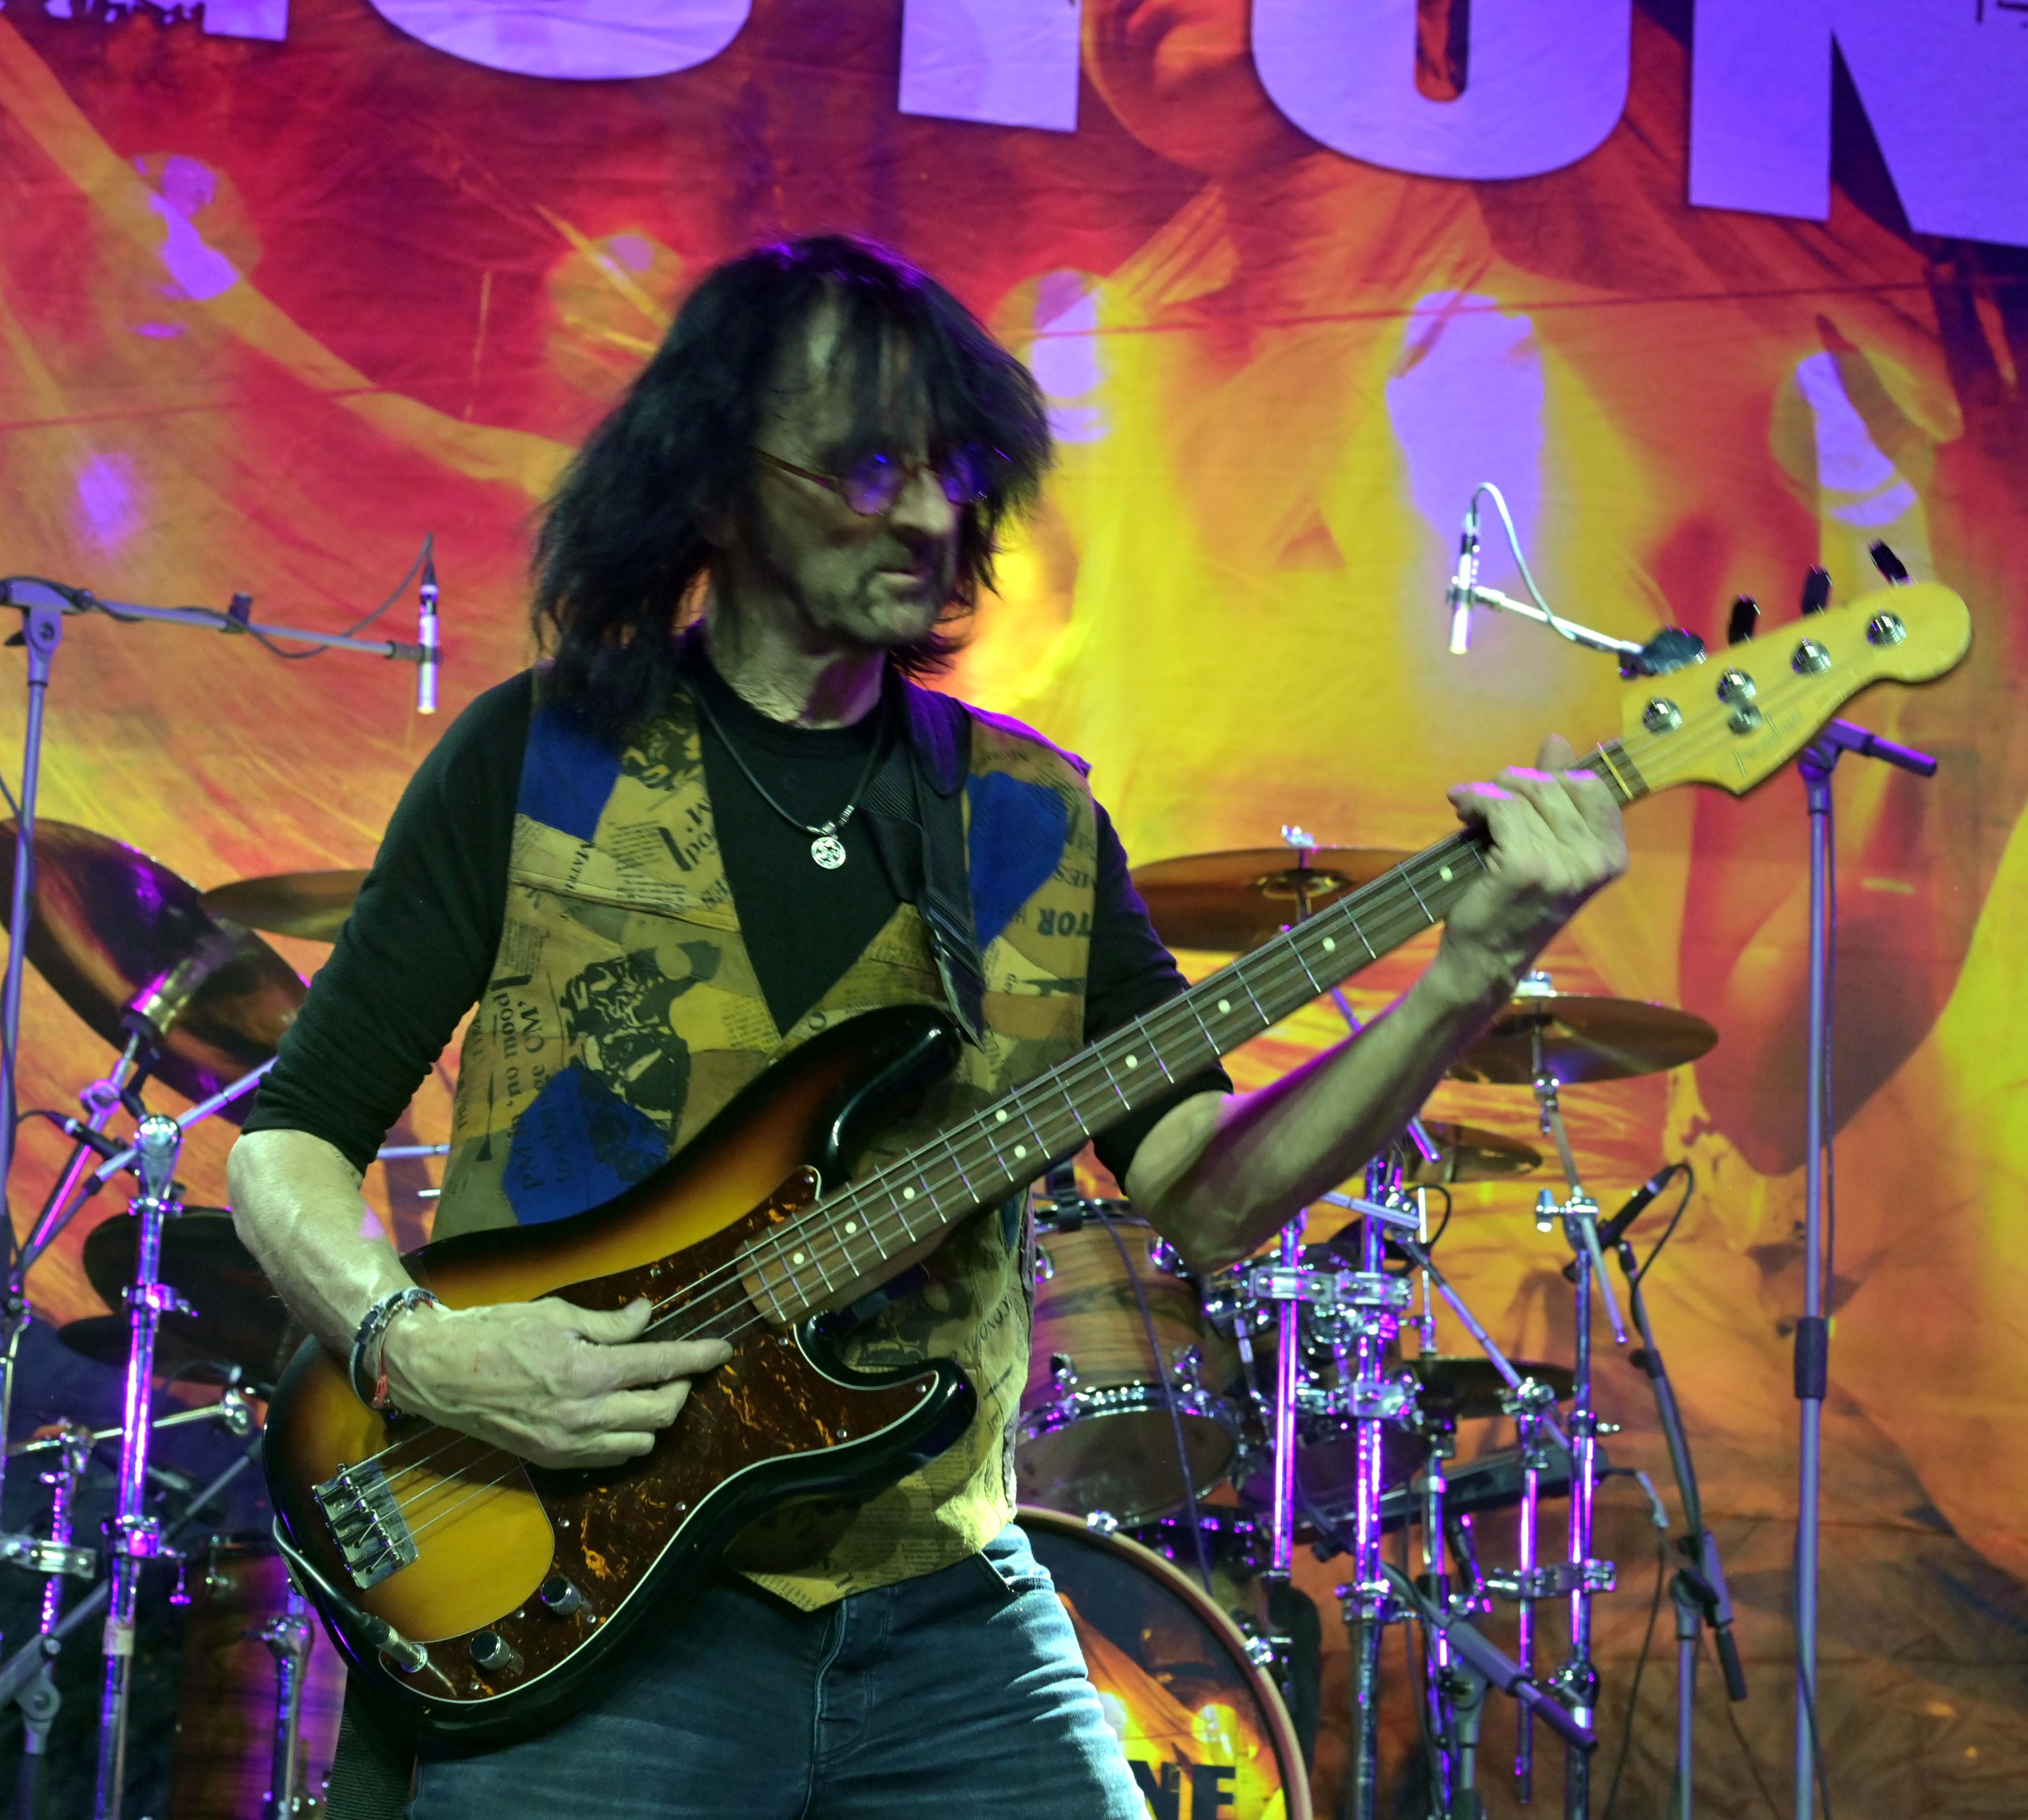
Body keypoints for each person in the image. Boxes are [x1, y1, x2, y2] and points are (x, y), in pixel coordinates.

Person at [227, 233, 1627, 1820]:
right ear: (716, 481)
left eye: (957, 471)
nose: (929, 514)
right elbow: (287, 1144)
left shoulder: (1028, 816)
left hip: (946, 1599)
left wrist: (1460, 982)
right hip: (587, 1586)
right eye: (867, 464)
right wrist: (420, 1350)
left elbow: (1206, 1194)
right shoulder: (541, 756)